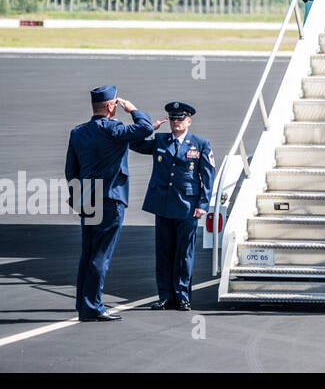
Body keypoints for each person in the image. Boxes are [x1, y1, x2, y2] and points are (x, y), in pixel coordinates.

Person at [64, 85, 153, 322]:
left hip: (87, 199)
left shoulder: (78, 132)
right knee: (100, 256)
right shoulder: (114, 128)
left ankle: (83, 303)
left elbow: (71, 170)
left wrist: (76, 199)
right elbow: (144, 128)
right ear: (111, 106)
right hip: (109, 199)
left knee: (88, 253)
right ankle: (92, 306)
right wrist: (133, 109)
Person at [128, 102, 213, 311]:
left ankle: (183, 296)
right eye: (173, 118)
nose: (176, 122)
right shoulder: (159, 140)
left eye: (180, 118)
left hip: (187, 206)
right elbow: (133, 143)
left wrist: (203, 203)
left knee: (184, 254)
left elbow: (207, 175)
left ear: (189, 121)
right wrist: (150, 127)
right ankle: (165, 296)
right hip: (163, 205)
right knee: (164, 253)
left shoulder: (200, 144)